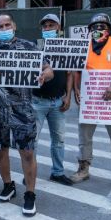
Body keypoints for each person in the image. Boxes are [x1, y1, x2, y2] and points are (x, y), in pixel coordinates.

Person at [0, 14, 54, 217]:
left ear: (14, 26)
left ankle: (30, 194)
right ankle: (8, 185)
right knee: (0, 150)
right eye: (0, 26)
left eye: (7, 24)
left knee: (27, 152)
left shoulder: (28, 47)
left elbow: (48, 68)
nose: (4, 28)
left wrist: (45, 75)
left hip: (23, 110)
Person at [70, 13, 111, 191]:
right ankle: (83, 168)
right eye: (94, 27)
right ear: (89, 30)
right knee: (84, 137)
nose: (98, 30)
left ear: (109, 29)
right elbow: (77, 69)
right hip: (89, 100)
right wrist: (76, 89)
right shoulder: (83, 46)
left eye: (102, 26)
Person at [32, 14, 74, 186]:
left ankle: (57, 172)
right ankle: (30, 173)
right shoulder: (34, 48)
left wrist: (68, 95)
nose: (48, 28)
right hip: (37, 101)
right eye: (45, 26)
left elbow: (70, 73)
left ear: (59, 28)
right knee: (32, 141)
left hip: (58, 101)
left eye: (51, 25)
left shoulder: (66, 48)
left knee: (59, 140)